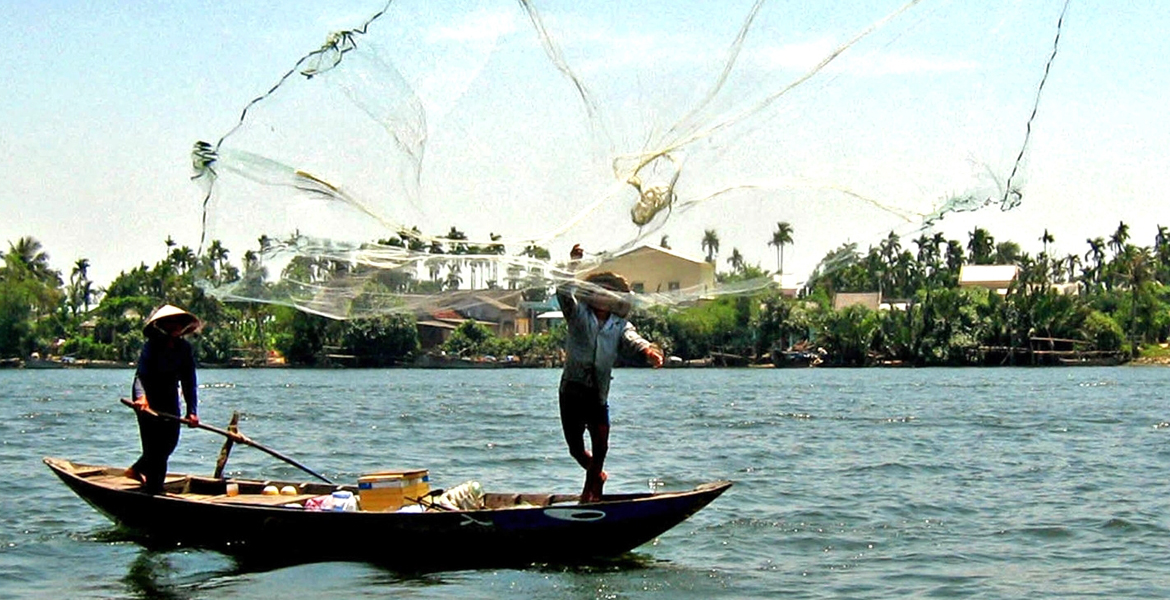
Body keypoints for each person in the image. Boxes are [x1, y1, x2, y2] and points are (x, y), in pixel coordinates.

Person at [557, 244, 664, 503]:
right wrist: (574, 264)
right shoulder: (577, 315)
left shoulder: (619, 324)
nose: (603, 297)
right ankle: (597, 478)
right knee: (576, 448)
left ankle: (590, 493)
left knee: (601, 445)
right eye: (598, 292)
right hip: (572, 389)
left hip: (597, 393)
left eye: (609, 294)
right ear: (590, 296)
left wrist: (649, 351)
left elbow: (633, 338)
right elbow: (563, 292)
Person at [124, 305, 201, 494]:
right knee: (154, 447)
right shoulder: (152, 346)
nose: (174, 326)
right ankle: (154, 489)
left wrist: (192, 411)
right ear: (162, 325)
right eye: (170, 322)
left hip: (169, 397)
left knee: (170, 442)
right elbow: (140, 375)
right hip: (148, 397)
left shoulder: (184, 348)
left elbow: (189, 382)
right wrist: (142, 398)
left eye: (178, 322)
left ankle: (137, 470)